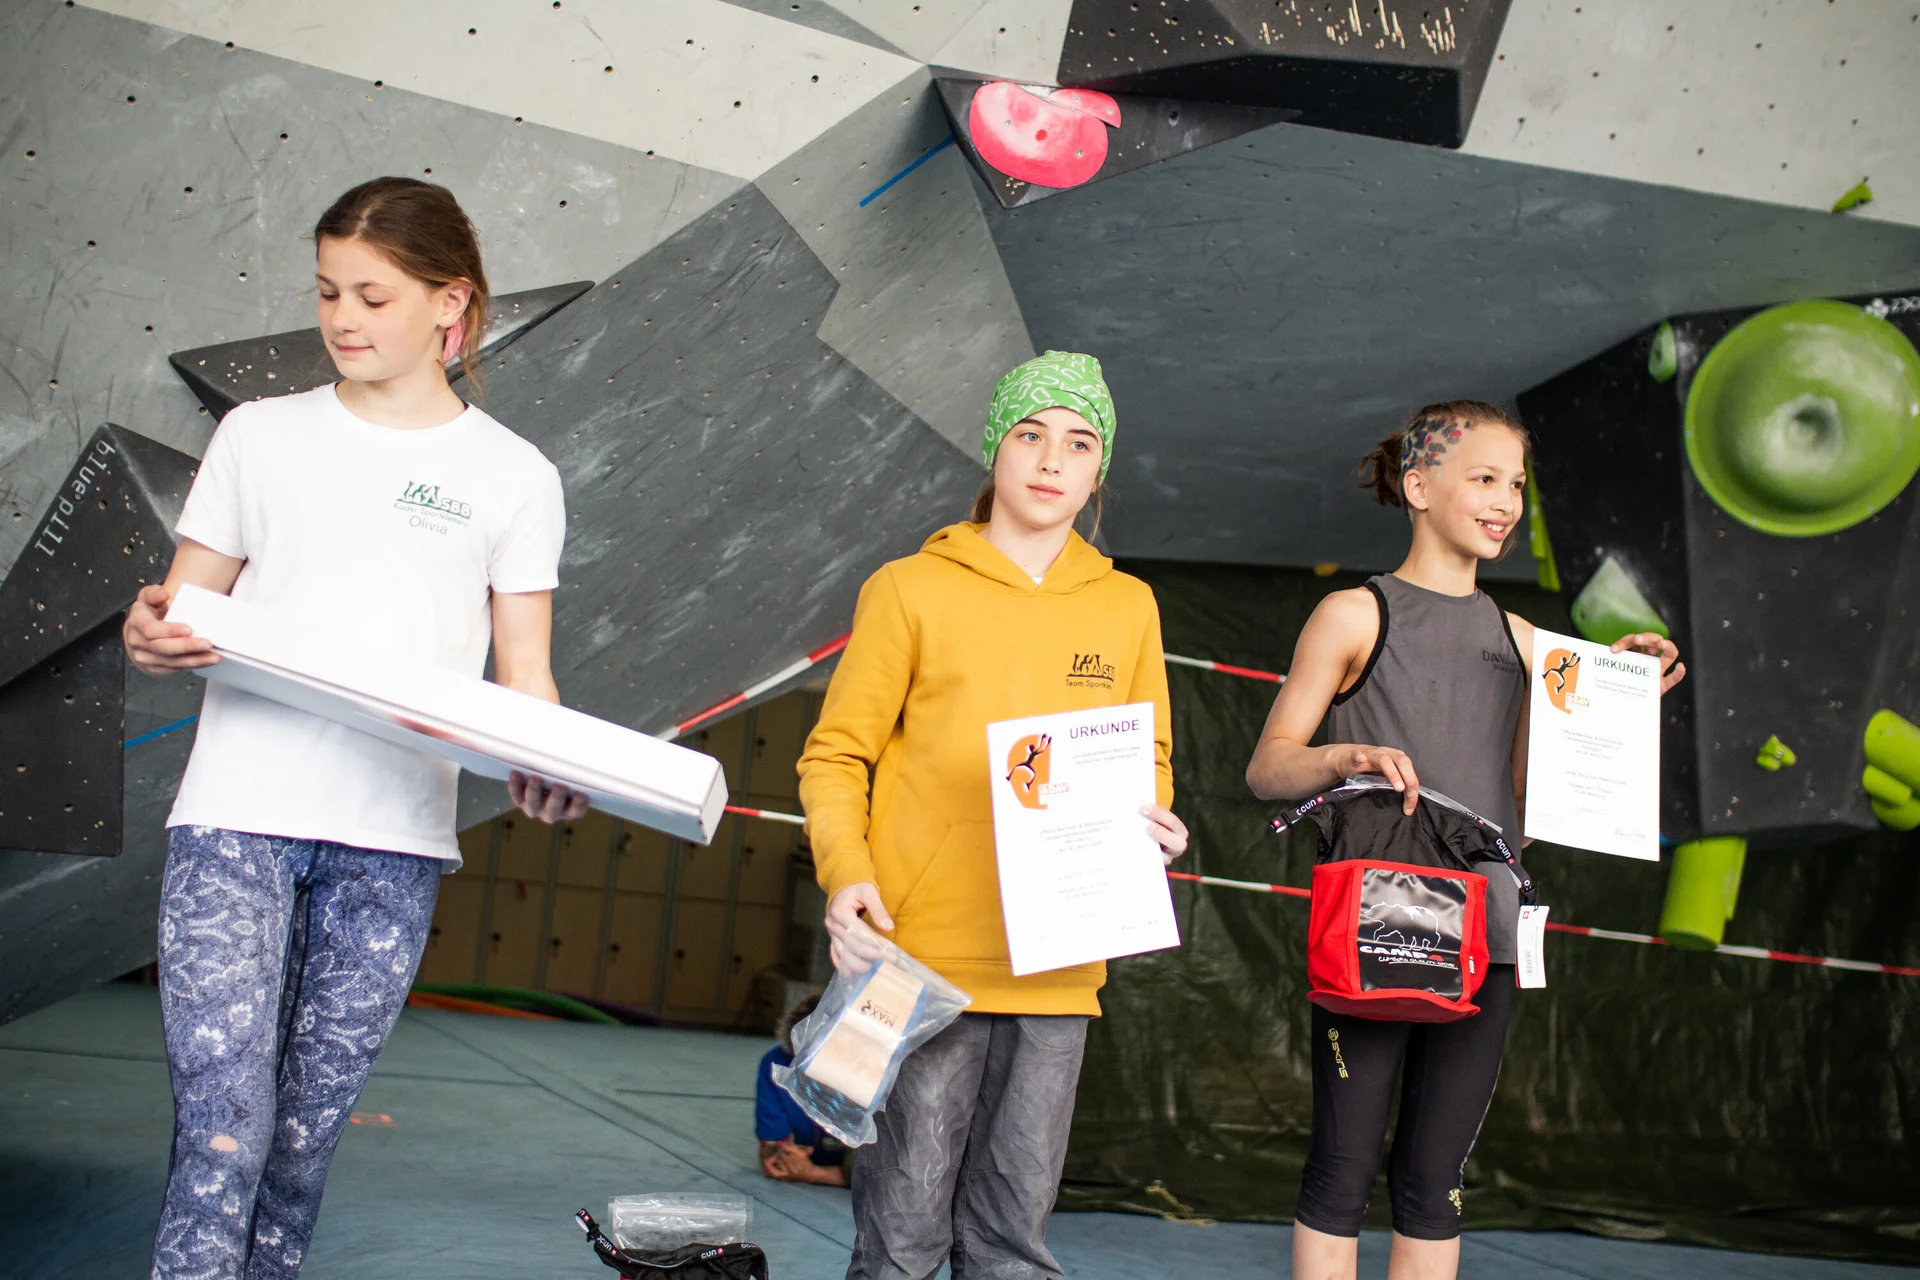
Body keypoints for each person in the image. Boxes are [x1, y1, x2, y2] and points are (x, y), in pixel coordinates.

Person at [121, 177, 587, 1280]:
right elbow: (181, 603)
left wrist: (551, 760)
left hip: (393, 843)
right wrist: (152, 633)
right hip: (235, 822)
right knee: (224, 1130)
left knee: (295, 1151)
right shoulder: (259, 435)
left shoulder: (516, 476)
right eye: (329, 291)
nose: (342, 318)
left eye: (373, 296)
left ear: (450, 304)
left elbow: (527, 673)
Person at [1245, 401, 1687, 1280]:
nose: (1506, 501)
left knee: (1436, 1177)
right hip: (1375, 923)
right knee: (1340, 1169)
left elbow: (1521, 790)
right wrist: (1345, 754)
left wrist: (1619, 697)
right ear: (1418, 487)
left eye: (1516, 484)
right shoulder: (1353, 614)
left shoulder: (1529, 643)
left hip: (1487, 929)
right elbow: (1267, 768)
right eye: (1484, 478)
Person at [797, 350, 1191, 1280]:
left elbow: (1149, 761)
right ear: (995, 450)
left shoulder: (1129, 607)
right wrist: (846, 874)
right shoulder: (908, 588)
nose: (1052, 460)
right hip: (917, 959)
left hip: (1059, 967)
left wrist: (1155, 823)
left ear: (1100, 470)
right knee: (901, 1233)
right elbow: (836, 754)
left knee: (1014, 1240)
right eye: (1030, 435)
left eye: (1079, 442)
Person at [755, 990, 852, 1187]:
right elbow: (769, 1143)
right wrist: (782, 1155)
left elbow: (880, 1174)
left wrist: (814, 1174)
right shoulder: (776, 1063)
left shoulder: (868, 1074)